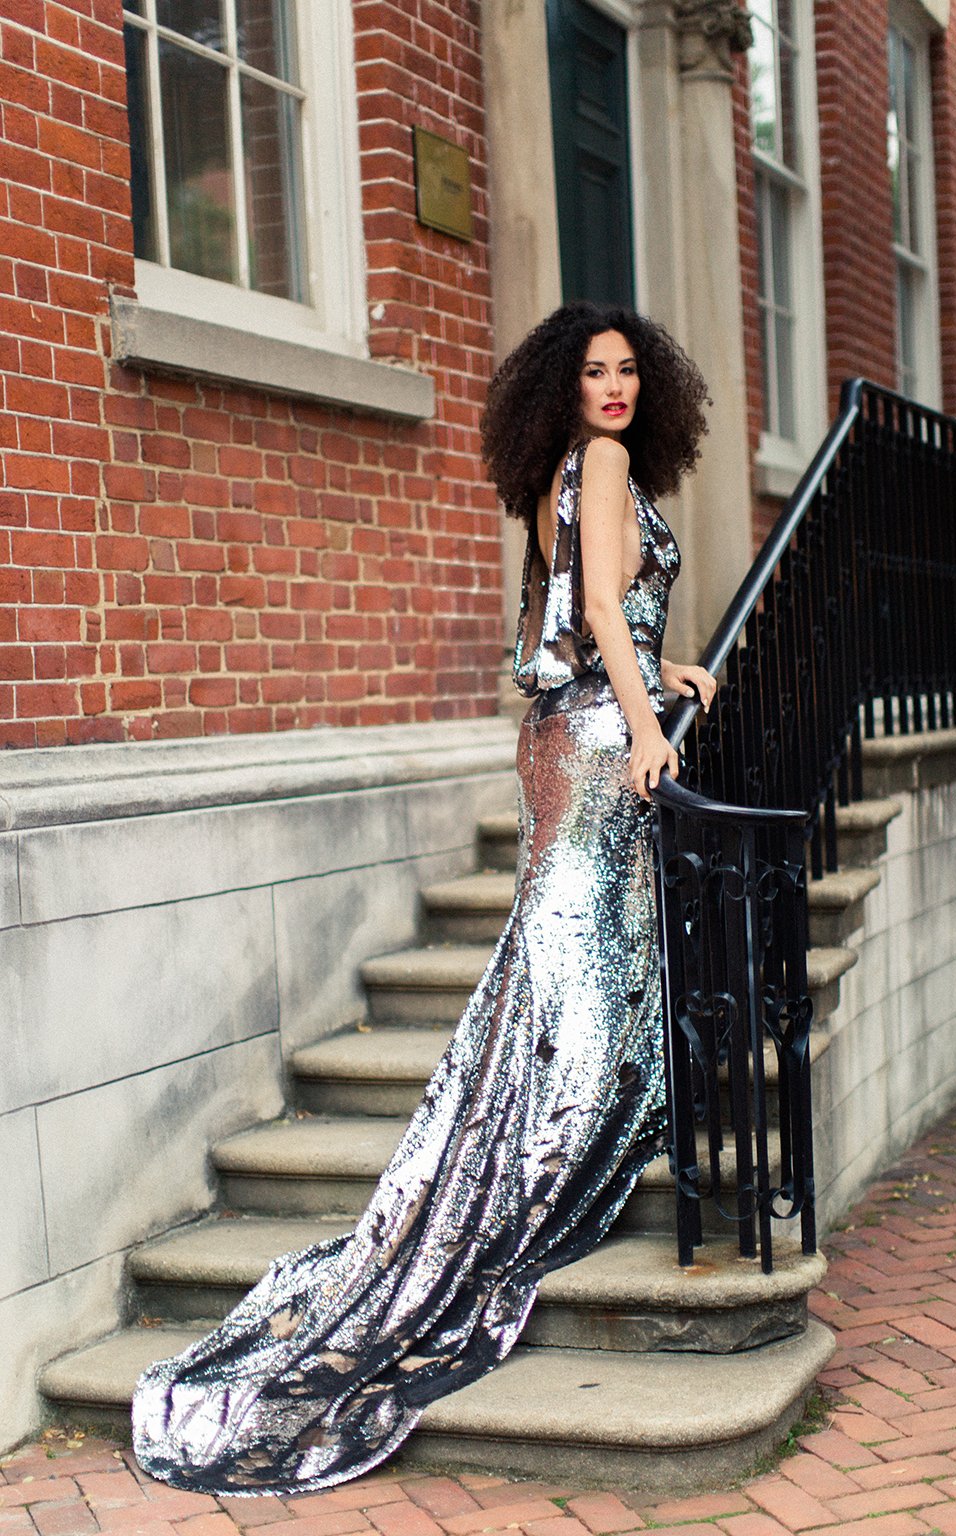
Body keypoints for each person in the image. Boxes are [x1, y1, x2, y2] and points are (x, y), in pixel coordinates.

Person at [131, 300, 715, 1496]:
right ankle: (548, 1168)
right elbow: (603, 609)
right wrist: (654, 724)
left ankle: (530, 1154)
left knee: (558, 954)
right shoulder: (596, 463)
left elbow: (583, 617)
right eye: (594, 373)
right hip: (603, 742)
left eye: (626, 373)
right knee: (581, 959)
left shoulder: (559, 473)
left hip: (567, 731)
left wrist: (668, 669)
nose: (614, 391)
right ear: (568, 389)